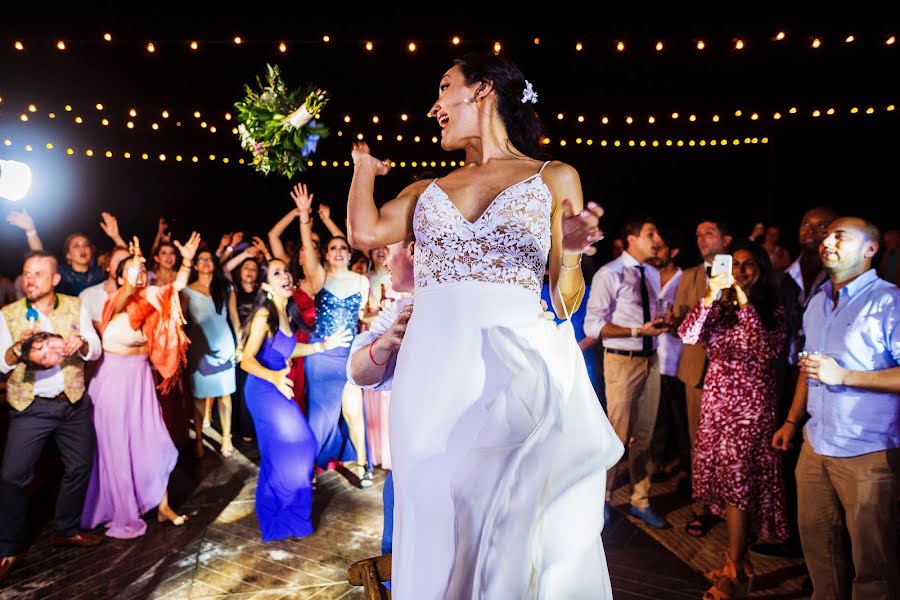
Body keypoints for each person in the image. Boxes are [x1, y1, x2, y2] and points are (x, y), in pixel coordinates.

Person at [347, 52, 622, 599]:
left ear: (484, 90)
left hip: (512, 371)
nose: (434, 106)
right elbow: (364, 232)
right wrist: (362, 171)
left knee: (506, 518)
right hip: (429, 376)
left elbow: (567, 303)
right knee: (431, 512)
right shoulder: (426, 189)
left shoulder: (553, 176)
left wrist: (568, 255)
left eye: (444, 87)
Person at [773, 217, 900, 600]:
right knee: (820, 555)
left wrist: (844, 376)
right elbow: (809, 369)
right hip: (816, 445)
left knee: (873, 566)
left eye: (840, 236)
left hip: (868, 452)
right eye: (826, 236)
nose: (827, 241)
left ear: (870, 249)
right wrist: (793, 422)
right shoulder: (817, 302)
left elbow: (836, 372)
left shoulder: (888, 300)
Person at [680, 242, 789, 599]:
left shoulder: (772, 309)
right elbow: (688, 335)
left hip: (750, 409)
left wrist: (743, 301)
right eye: (735, 265)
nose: (740, 271)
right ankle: (738, 564)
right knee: (728, 485)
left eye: (747, 265)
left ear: (760, 269)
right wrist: (711, 296)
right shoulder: (720, 308)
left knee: (740, 487)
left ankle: (737, 570)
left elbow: (765, 349)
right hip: (716, 405)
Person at [80, 234, 199, 538]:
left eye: (144, 270)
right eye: (133, 270)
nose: (141, 274)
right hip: (113, 381)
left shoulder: (152, 299)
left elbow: (178, 285)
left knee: (154, 442)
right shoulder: (115, 302)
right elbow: (129, 288)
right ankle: (123, 510)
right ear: (119, 276)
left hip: (140, 379)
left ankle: (163, 506)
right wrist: (136, 262)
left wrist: (186, 260)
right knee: (118, 448)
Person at [0, 251, 103, 582]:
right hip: (31, 406)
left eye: (38, 274)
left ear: (55, 279)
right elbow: (1, 363)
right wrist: (19, 348)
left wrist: (83, 343)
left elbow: (96, 349)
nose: (30, 280)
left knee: (80, 467)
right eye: (27, 273)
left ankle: (66, 529)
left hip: (72, 402)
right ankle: (9, 547)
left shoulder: (74, 305)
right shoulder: (9, 314)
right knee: (13, 477)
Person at [240, 258, 351, 541]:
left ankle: (285, 514)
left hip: (280, 386)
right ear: (266, 285)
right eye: (276, 273)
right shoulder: (265, 315)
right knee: (298, 446)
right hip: (263, 389)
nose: (286, 276)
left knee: (295, 448)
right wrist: (274, 377)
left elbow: (288, 348)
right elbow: (246, 361)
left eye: (286, 270)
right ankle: (282, 515)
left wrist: (322, 346)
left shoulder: (284, 313)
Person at [585, 217, 670, 528]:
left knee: (644, 437)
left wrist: (663, 322)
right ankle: (600, 499)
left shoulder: (652, 273)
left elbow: (649, 314)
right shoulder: (610, 274)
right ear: (632, 239)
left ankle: (640, 499)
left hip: (651, 359)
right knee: (616, 437)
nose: (657, 239)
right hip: (621, 361)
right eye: (651, 233)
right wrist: (638, 330)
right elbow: (592, 326)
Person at [294, 184, 373, 485]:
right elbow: (308, 248)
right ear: (325, 254)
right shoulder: (319, 277)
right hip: (323, 356)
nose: (339, 251)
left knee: (354, 412)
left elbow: (362, 315)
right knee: (321, 416)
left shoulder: (362, 281)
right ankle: (309, 468)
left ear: (349, 252)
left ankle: (364, 465)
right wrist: (305, 216)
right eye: (333, 248)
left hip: (350, 356)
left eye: (343, 247)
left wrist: (380, 316)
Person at [182, 249, 242, 458]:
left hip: (224, 344)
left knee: (225, 394)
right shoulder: (186, 291)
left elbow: (234, 317)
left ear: (214, 264)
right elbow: (183, 322)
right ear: (195, 265)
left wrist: (240, 343)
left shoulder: (225, 288)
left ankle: (226, 437)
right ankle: (198, 439)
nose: (205, 263)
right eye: (201, 260)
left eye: (209, 259)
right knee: (199, 395)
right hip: (199, 347)